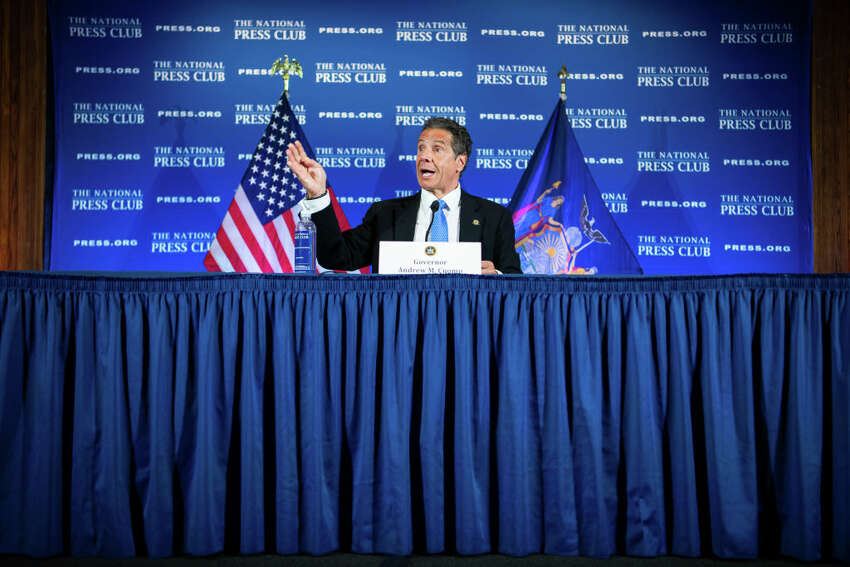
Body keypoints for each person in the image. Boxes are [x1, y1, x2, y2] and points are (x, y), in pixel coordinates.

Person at [285, 117, 522, 274]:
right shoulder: (386, 214)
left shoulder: (494, 217)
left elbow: (515, 281)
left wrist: (497, 277)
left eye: (436, 149)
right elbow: (335, 257)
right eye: (421, 148)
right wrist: (317, 194)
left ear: (460, 162)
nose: (424, 156)